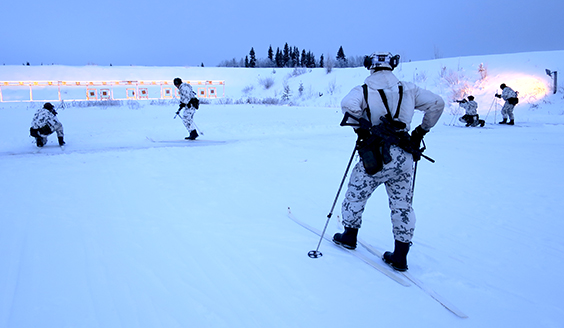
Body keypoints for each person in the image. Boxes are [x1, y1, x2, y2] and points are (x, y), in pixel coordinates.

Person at [333, 52, 444, 271]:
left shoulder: (362, 90)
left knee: (356, 194)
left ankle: (349, 235)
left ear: (370, 67)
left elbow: (348, 105)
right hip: (404, 155)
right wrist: (421, 131)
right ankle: (400, 256)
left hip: (375, 155)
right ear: (392, 66)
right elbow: (437, 104)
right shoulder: (409, 89)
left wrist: (363, 131)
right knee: (402, 205)